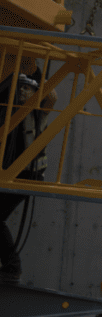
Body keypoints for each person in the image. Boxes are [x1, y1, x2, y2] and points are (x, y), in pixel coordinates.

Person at [0, 59, 55, 284]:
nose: (23, 92)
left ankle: (12, 269)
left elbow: (52, 97)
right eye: (21, 88)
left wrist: (34, 72)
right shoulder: (7, 109)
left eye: (27, 88)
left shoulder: (36, 108)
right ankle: (11, 268)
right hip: (16, 173)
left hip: (26, 174)